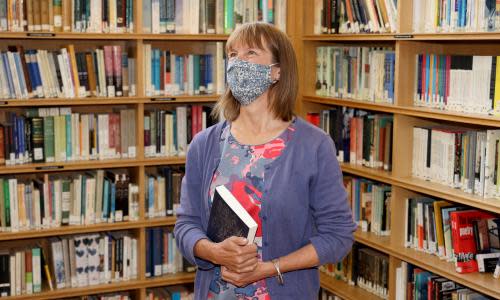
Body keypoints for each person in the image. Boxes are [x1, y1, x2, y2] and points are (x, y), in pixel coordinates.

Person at [174, 22, 356, 299]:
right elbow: (186, 225)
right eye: (232, 54)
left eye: (250, 53)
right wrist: (212, 251)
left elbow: (339, 236)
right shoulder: (204, 144)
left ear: (276, 71)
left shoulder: (314, 146)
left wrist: (269, 268)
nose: (237, 62)